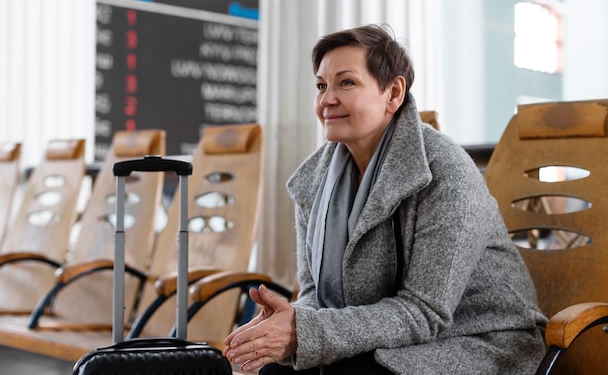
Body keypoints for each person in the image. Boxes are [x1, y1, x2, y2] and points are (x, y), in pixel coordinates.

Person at [222, 24, 547, 374]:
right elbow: (315, 293)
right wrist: (286, 324)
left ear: (393, 93)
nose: (327, 99)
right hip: (390, 339)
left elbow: (425, 312)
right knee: (278, 371)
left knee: (351, 373)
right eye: (321, 85)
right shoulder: (313, 182)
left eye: (346, 82)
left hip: (481, 339)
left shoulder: (446, 171)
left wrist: (304, 332)